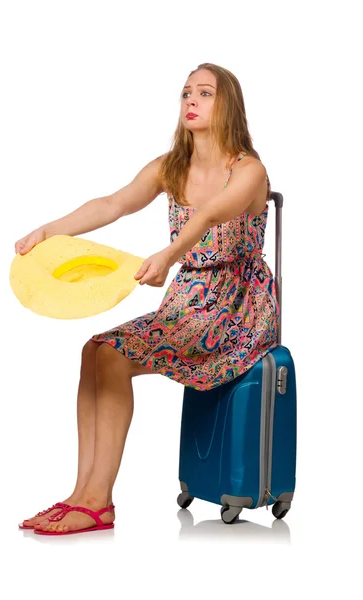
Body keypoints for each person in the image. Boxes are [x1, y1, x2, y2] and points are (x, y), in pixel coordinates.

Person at [16, 62, 280, 535]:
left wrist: (169, 254)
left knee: (114, 357)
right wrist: (47, 231)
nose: (191, 101)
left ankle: (99, 501)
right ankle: (81, 493)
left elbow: (210, 215)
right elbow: (111, 204)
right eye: (185, 93)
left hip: (236, 308)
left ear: (229, 106)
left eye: (204, 93)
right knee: (94, 349)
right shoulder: (170, 167)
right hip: (188, 302)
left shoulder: (248, 170)